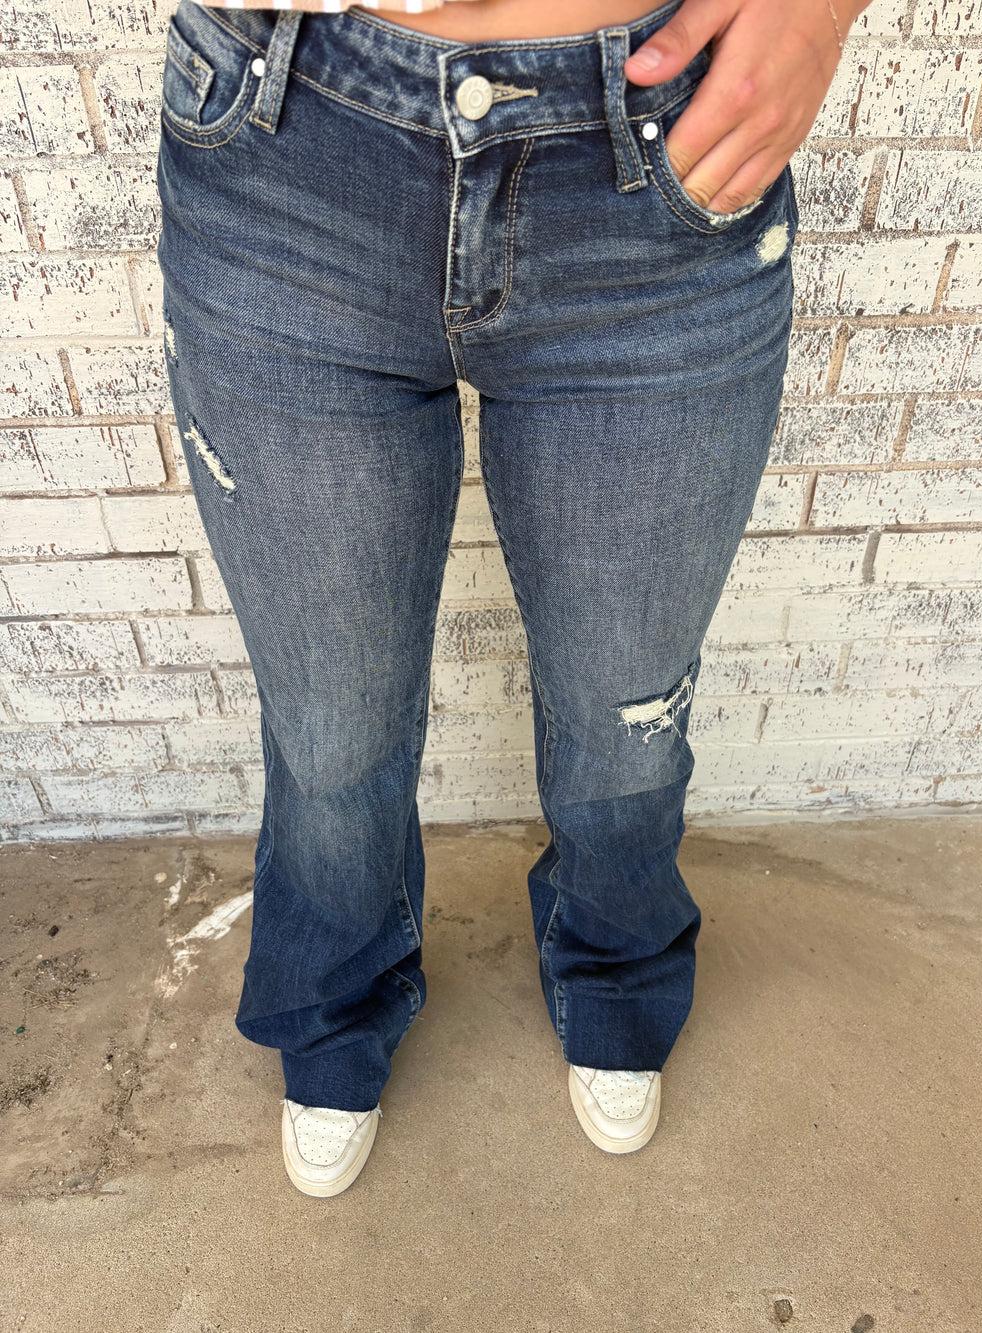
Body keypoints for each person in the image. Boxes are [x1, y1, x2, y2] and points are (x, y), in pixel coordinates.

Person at [156, 0, 869, 1196]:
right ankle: (332, 1003)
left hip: (654, 158)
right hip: (287, 144)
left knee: (623, 707)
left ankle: (616, 970)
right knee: (332, 721)